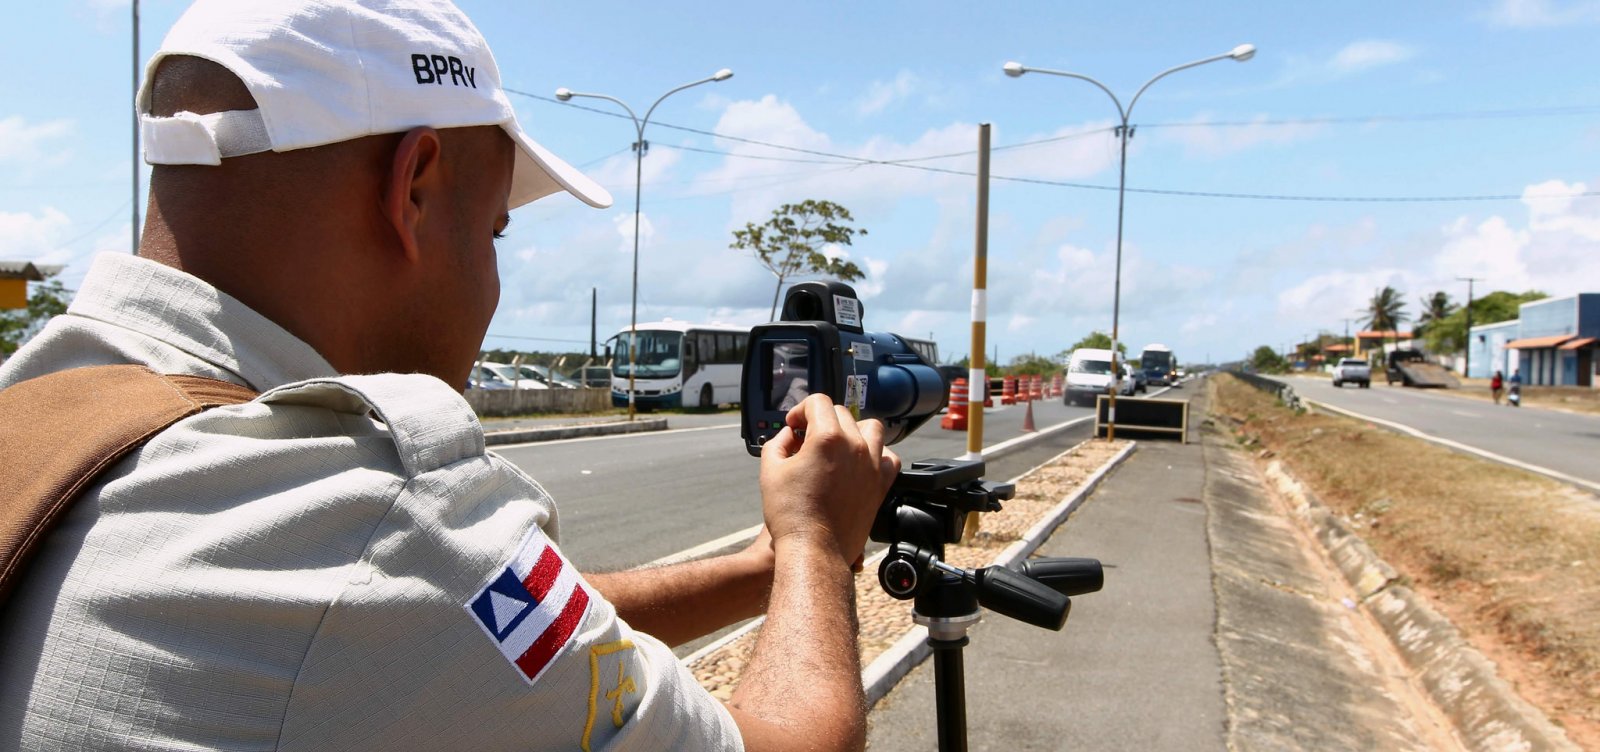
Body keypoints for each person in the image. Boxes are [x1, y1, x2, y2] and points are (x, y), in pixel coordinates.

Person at [0, 2, 898, 750]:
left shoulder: (46, 404)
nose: (494, 279)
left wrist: (762, 568)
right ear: (415, 186)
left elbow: (473, 622)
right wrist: (819, 545)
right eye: (496, 230)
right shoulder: (368, 518)